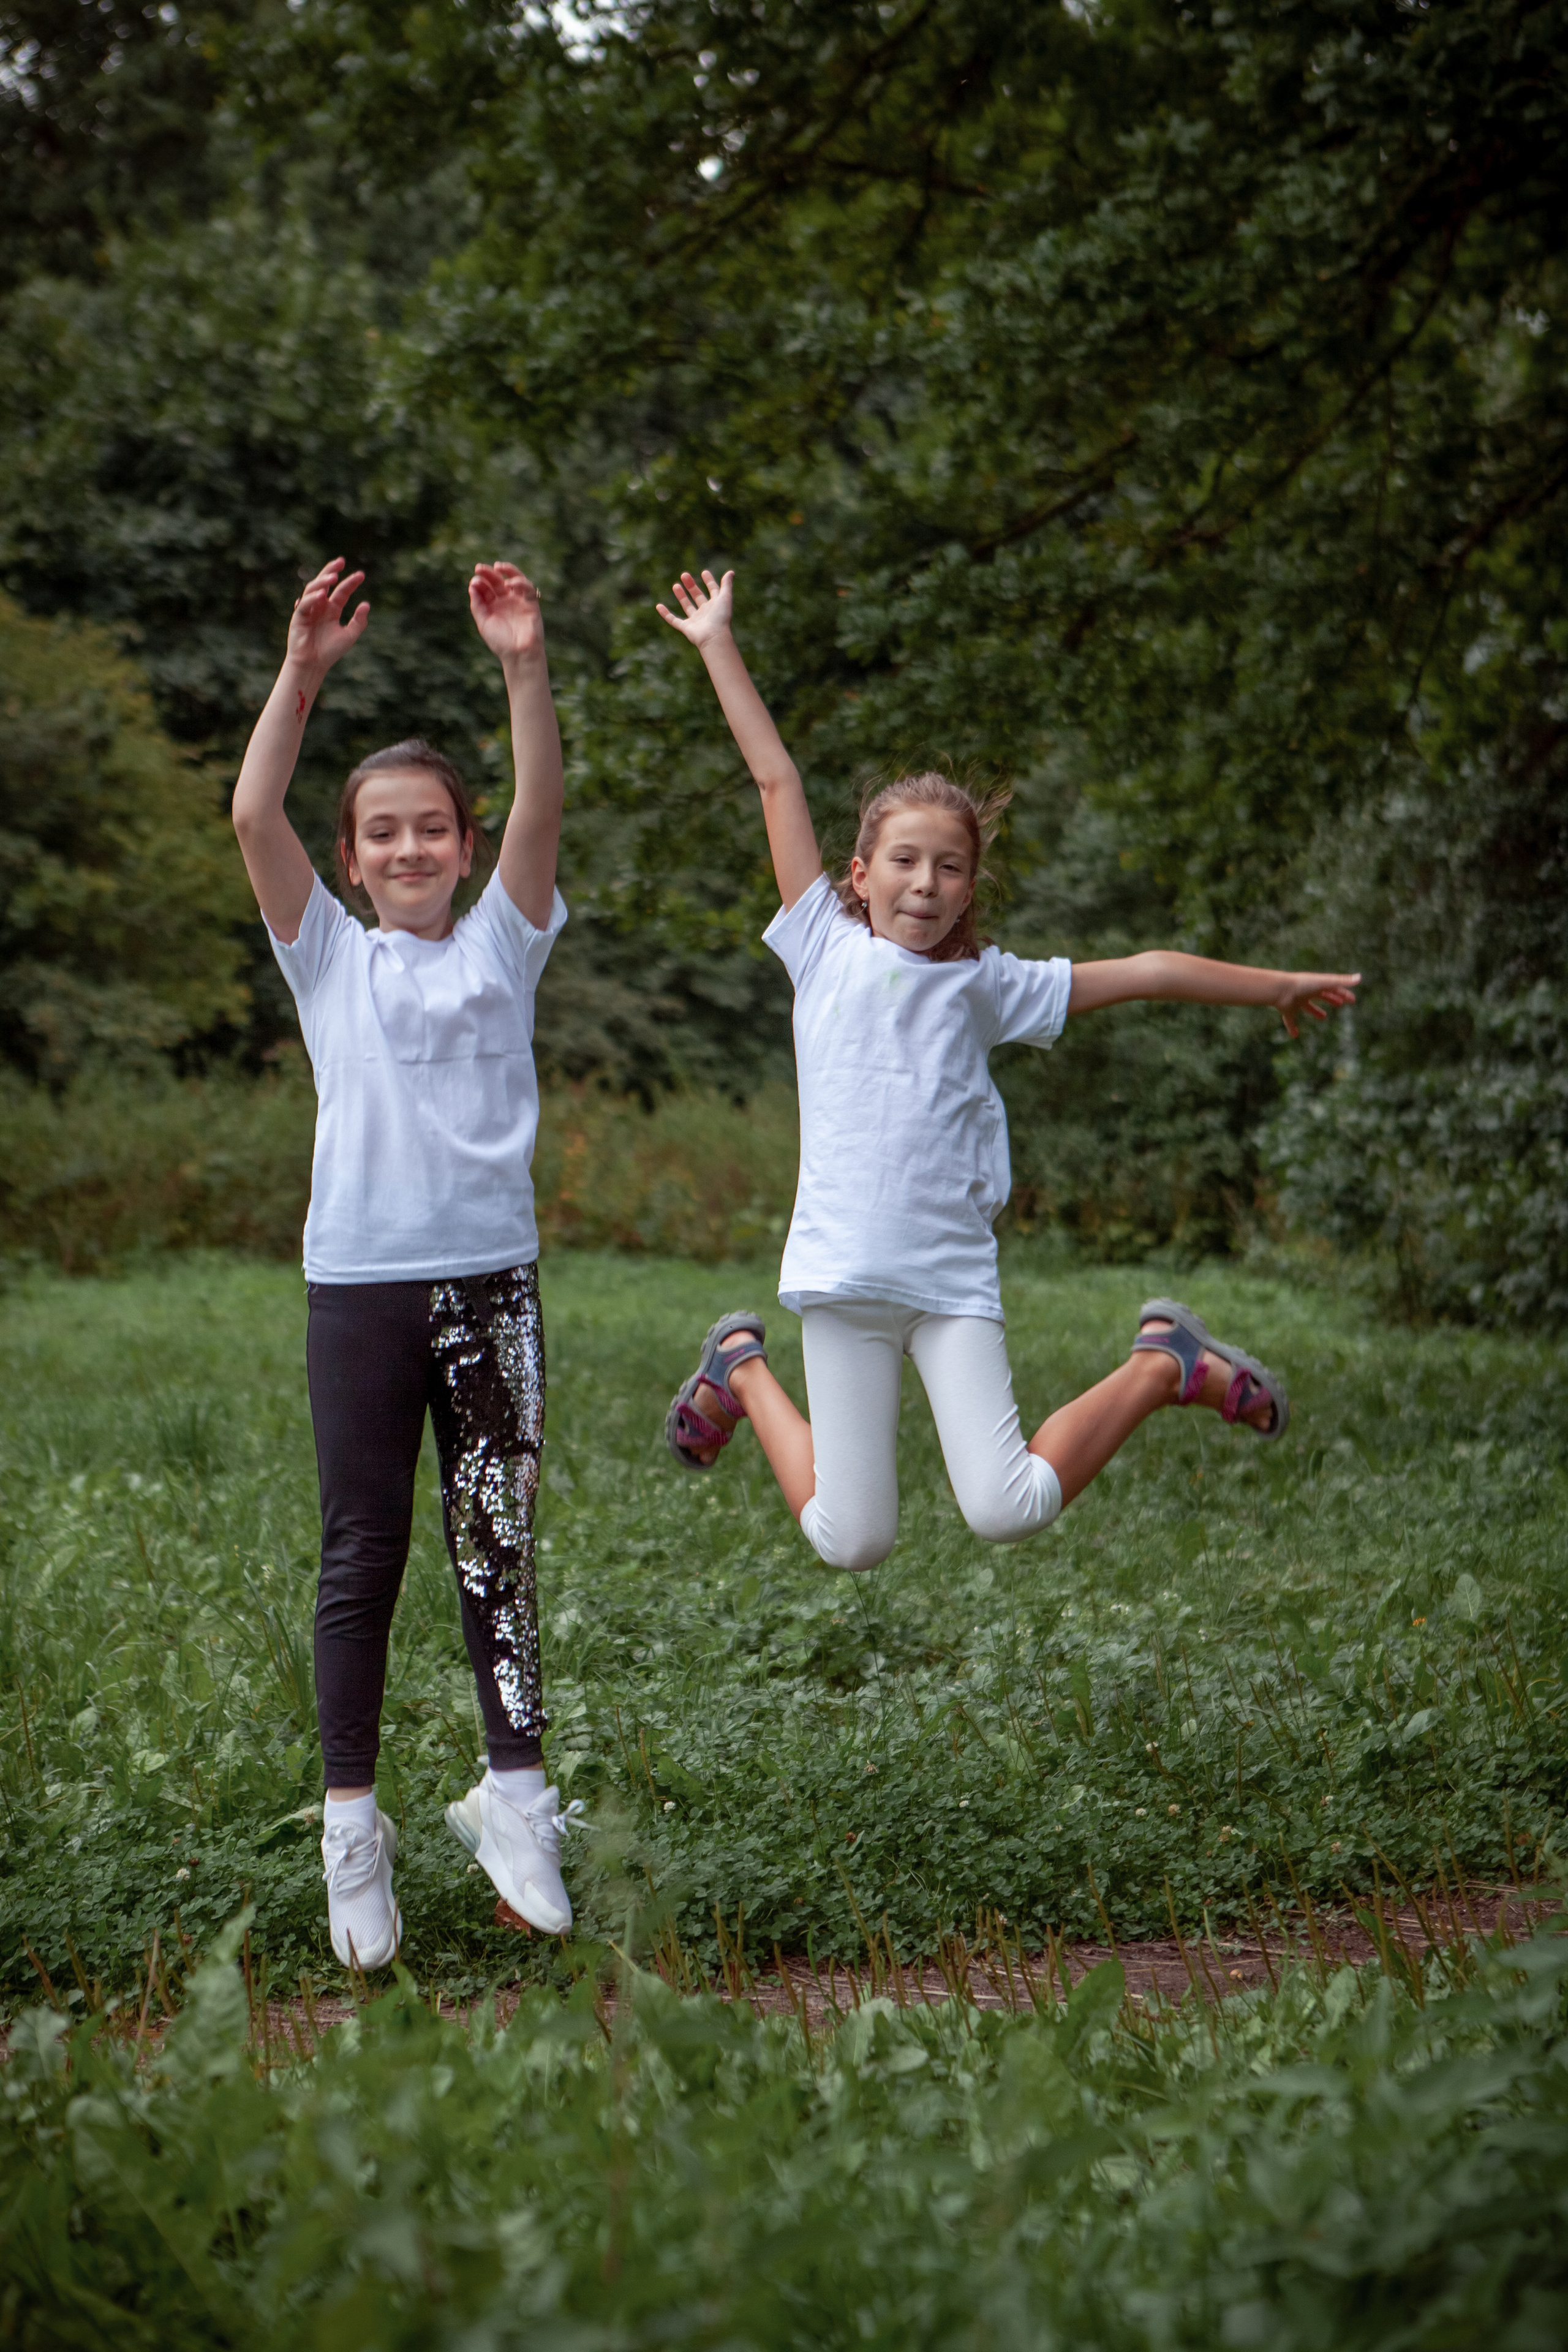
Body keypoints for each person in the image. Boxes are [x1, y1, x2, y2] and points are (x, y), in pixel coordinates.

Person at [656, 567, 1359, 1570]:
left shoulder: (988, 985)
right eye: (902, 861)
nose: (926, 883)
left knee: (1009, 1506)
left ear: (971, 884)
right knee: (852, 1540)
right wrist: (718, 641)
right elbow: (777, 778)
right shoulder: (821, 943)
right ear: (859, 875)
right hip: (843, 1281)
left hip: (947, 1283)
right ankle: (740, 1371)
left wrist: (1278, 983)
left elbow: (1150, 971)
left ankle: (1166, 1363)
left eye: (949, 866)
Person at [232, 555, 579, 1969]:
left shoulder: (507, 939)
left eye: (432, 829)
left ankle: (513, 1801)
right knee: (362, 1555)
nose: (409, 851)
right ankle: (350, 1828)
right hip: (359, 1290)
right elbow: (254, 808)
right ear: (354, 852)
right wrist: (303, 671)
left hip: (491, 1286)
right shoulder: (329, 958)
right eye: (382, 834)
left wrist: (523, 667)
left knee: (496, 1543)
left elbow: (544, 798)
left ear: (464, 839)